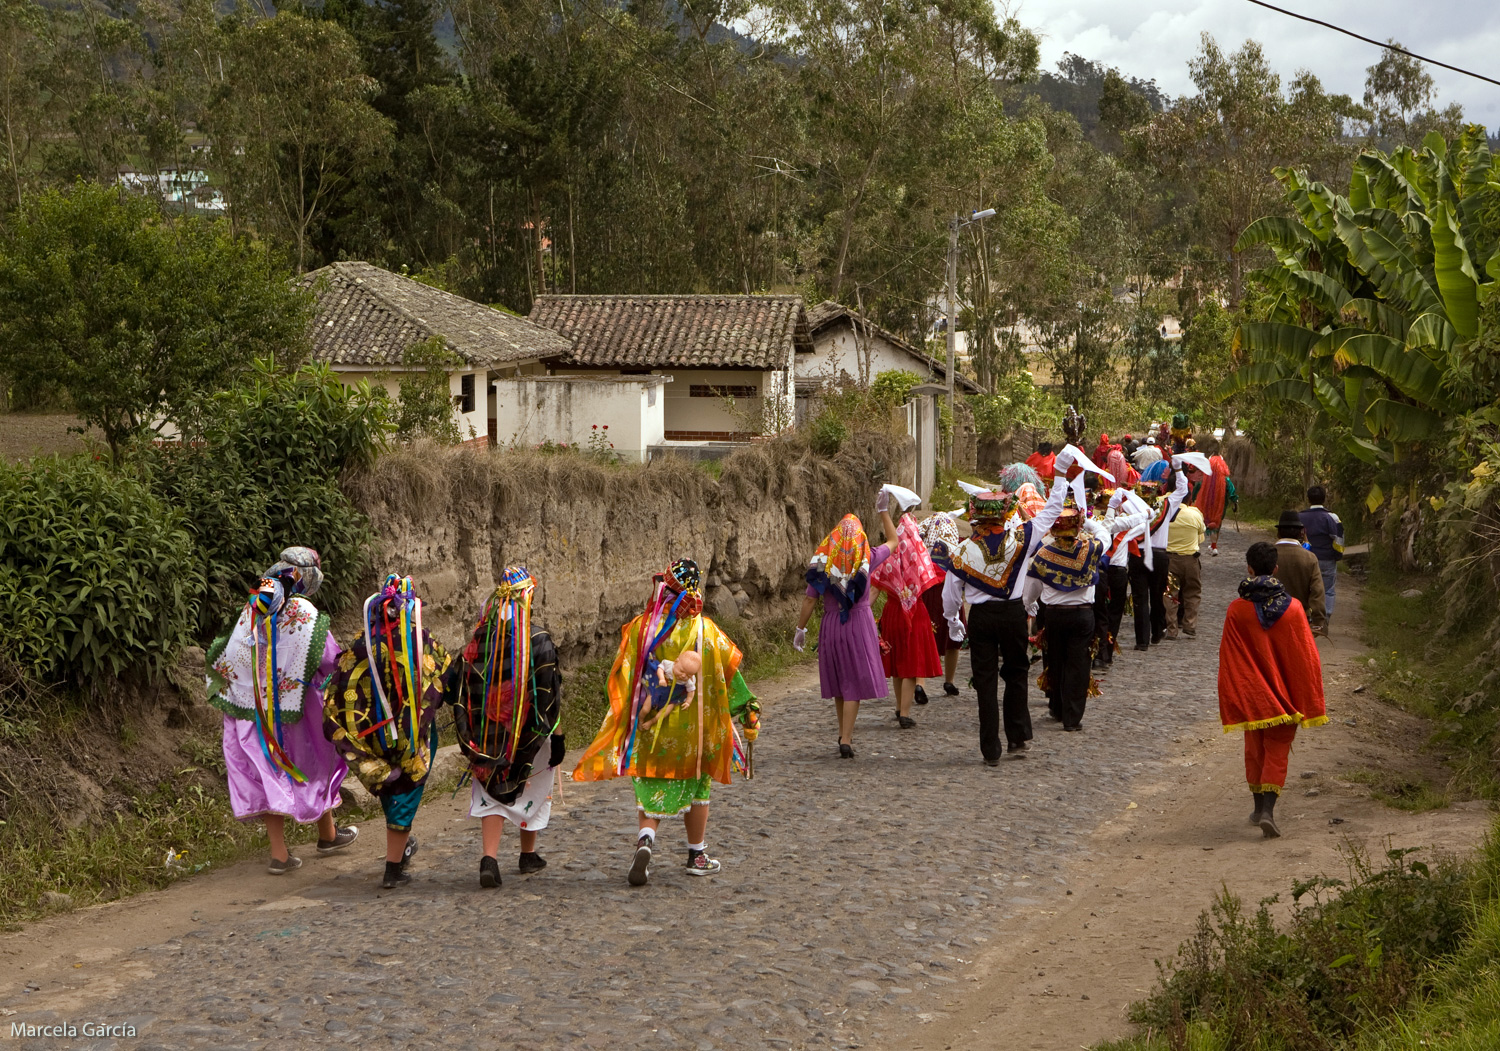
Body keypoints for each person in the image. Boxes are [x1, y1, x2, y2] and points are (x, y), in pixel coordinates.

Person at [575, 559, 759, 884]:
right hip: (694, 733)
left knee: (651, 784)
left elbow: (623, 673)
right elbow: (727, 675)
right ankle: (696, 854)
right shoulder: (705, 631)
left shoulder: (641, 628)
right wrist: (746, 707)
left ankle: (646, 840)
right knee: (698, 786)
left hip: (652, 728)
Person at [205, 547, 358, 875]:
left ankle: (281, 853)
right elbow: (329, 659)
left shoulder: (257, 601)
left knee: (267, 774)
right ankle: (327, 835)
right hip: (296, 714)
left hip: (253, 711)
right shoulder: (303, 611)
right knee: (318, 762)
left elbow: (234, 655)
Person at [943, 447, 1074, 764]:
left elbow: (950, 593)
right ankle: (1017, 736)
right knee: (1016, 674)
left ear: (975, 514)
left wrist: (952, 621)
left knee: (985, 682)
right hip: (1013, 614)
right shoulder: (1022, 537)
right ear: (1005, 513)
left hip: (982, 618)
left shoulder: (962, 550)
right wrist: (1059, 477)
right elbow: (1052, 510)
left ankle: (991, 749)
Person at [326, 574, 453, 889]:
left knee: (388, 783)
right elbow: (445, 672)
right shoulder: (421, 640)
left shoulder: (361, 644)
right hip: (412, 734)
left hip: (373, 733)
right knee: (407, 791)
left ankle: (402, 847)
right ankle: (393, 869)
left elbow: (338, 689)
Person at [447, 566, 565, 888]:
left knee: (490, 793)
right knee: (535, 785)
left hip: (487, 736)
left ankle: (490, 858)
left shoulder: (479, 638)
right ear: (526, 596)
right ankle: (528, 854)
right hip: (529, 735)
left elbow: (459, 686)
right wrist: (555, 736)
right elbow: (548, 693)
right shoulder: (538, 639)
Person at [1217, 541, 1327, 838]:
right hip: (1286, 697)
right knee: (1277, 753)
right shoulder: (1293, 609)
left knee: (1254, 751)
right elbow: (1304, 657)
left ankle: (1256, 809)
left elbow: (1230, 656)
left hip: (1253, 696)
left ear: (1249, 569)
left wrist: (1235, 693)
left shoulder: (1237, 610)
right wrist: (1307, 696)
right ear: (1275, 569)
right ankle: (1268, 811)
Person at [795, 497, 901, 758]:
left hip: (831, 625)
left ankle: (843, 731)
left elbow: (810, 598)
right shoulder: (868, 556)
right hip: (859, 624)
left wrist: (800, 629)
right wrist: (883, 512)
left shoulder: (823, 563)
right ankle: (846, 738)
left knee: (840, 680)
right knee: (853, 680)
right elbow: (894, 542)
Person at [1024, 499, 1104, 731]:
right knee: (1078, 665)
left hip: (1055, 615)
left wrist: (1028, 605)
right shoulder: (1091, 548)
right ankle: (1072, 718)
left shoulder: (1043, 554)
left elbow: (1031, 590)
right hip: (1082, 615)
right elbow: (1104, 534)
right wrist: (1089, 523)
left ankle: (1057, 708)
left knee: (1056, 662)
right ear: (1077, 527)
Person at [872, 493, 943, 729]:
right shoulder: (922, 559)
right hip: (916, 615)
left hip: (892, 612)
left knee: (896, 663)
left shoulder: (888, 558)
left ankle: (897, 706)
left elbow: (873, 591)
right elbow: (936, 577)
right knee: (912, 665)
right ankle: (905, 712)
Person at [917, 510, 965, 702]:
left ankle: (920, 683)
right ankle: (949, 680)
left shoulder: (923, 549)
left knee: (923, 638)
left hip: (927, 593)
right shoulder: (957, 549)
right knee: (953, 638)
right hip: (949, 594)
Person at [1273, 511, 1328, 635]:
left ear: (1279, 532)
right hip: (1300, 617)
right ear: (1301, 533)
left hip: (1271, 617)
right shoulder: (1309, 558)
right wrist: (1318, 621)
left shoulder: (1268, 554)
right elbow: (1317, 591)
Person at [1300, 487, 1344, 624]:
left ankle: (1306, 618)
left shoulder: (1299, 517)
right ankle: (1324, 619)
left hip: (1305, 559)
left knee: (1306, 588)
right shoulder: (1332, 517)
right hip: (1326, 559)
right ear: (1324, 499)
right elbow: (1339, 538)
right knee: (1328, 590)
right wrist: (1337, 555)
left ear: (1308, 499)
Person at [1166, 495, 1206, 640]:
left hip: (1170, 559)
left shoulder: (1166, 514)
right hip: (1191, 559)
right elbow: (1201, 532)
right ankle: (1190, 625)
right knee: (1193, 592)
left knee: (1170, 594)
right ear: (1189, 499)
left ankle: (1171, 628)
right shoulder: (1194, 514)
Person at [1189, 454, 1237, 556]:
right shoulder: (1225, 479)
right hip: (1220, 506)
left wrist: (1192, 499)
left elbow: (1197, 488)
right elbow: (1232, 491)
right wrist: (1234, 502)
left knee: (1201, 523)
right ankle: (1214, 546)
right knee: (1217, 524)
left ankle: (1196, 545)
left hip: (1204, 505)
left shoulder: (1204, 478)